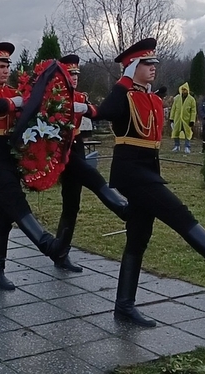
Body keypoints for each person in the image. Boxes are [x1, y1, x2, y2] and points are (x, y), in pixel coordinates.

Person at [95, 38, 205, 327]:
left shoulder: (147, 96)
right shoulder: (124, 94)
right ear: (132, 68)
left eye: (153, 64)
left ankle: (124, 306)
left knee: (138, 238)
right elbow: (105, 111)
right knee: (180, 216)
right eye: (146, 64)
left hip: (146, 171)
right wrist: (124, 81)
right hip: (132, 174)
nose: (153, 68)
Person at [0, 42, 68, 291]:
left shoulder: (13, 90)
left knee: (3, 216)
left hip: (9, 158)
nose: (5, 70)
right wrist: (15, 103)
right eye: (0, 66)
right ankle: (46, 244)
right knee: (13, 198)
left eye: (7, 66)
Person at [53, 54, 130, 273]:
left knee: (71, 203)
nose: (75, 78)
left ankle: (60, 252)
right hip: (62, 148)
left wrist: (88, 108)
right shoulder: (53, 97)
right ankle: (122, 209)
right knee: (92, 176)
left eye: (77, 74)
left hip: (76, 145)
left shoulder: (79, 96)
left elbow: (96, 113)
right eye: (70, 74)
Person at [170, 82, 197, 153]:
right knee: (175, 132)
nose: (183, 91)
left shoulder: (191, 99)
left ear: (188, 90)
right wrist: (171, 118)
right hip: (177, 119)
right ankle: (177, 146)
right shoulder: (177, 98)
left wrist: (192, 120)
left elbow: (193, 111)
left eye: (185, 90)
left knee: (187, 133)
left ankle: (187, 147)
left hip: (186, 120)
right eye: (182, 90)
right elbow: (173, 108)